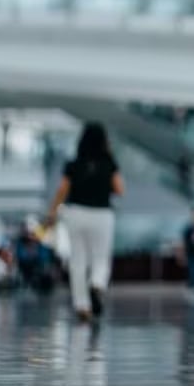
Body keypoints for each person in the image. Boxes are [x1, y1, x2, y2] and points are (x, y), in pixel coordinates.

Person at [47, 122, 124, 323]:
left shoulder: (74, 164)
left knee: (78, 260)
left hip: (75, 213)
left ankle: (82, 306)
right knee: (100, 258)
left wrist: (52, 212)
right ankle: (97, 284)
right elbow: (119, 189)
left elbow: (62, 191)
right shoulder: (110, 163)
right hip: (101, 214)